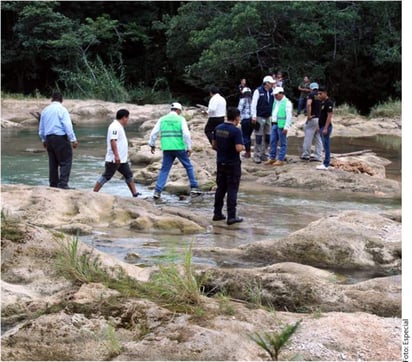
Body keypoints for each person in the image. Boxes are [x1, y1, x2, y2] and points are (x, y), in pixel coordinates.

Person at [148, 102, 201, 199]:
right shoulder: (180, 119)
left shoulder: (162, 119)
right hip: (179, 147)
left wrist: (152, 145)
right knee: (188, 166)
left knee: (164, 170)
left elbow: (153, 133)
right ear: (178, 110)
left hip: (167, 148)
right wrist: (188, 147)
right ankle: (194, 187)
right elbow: (186, 134)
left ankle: (157, 191)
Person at [93, 109, 141, 197]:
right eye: (127, 118)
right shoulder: (114, 126)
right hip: (114, 158)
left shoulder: (119, 126)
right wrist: (116, 156)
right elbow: (113, 141)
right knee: (107, 176)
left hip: (122, 159)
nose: (128, 120)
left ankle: (135, 193)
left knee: (128, 174)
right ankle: (93, 193)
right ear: (124, 118)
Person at [38, 91, 79, 189]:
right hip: (60, 137)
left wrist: (43, 140)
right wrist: (73, 139)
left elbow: (41, 128)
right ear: (61, 100)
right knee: (66, 160)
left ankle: (53, 184)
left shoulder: (45, 110)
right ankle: (63, 184)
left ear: (51, 99)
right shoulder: (62, 109)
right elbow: (67, 126)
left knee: (53, 162)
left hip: (49, 138)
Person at [212, 107, 244, 225]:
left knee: (220, 188)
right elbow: (238, 148)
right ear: (236, 117)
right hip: (233, 164)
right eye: (239, 117)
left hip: (220, 162)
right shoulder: (236, 131)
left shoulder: (218, 128)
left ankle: (217, 213)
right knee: (232, 189)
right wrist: (243, 147)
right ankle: (231, 216)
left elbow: (214, 145)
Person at [265, 87, 293, 166]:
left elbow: (289, 116)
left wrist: (286, 127)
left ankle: (280, 159)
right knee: (272, 141)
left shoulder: (287, 102)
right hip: (274, 124)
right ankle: (272, 158)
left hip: (281, 125)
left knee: (282, 143)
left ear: (281, 93)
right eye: (274, 95)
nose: (275, 96)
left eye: (276, 95)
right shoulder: (276, 101)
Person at [251, 75, 276, 163]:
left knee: (268, 136)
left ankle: (264, 153)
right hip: (259, 116)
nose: (272, 84)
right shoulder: (258, 91)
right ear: (266, 83)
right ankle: (256, 155)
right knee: (258, 136)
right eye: (271, 83)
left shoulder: (272, 91)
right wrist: (253, 116)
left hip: (268, 116)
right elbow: (253, 104)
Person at [301, 82, 323, 162]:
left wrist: (309, 116)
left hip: (313, 118)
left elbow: (309, 104)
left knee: (308, 136)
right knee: (318, 137)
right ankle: (318, 155)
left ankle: (306, 154)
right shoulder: (320, 95)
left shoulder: (311, 94)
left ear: (311, 88)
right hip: (319, 119)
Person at [316, 87, 334, 171]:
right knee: (324, 145)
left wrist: (325, 128)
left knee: (326, 146)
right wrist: (319, 127)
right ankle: (325, 162)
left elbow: (329, 115)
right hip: (321, 126)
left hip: (326, 127)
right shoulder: (322, 102)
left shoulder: (329, 102)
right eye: (318, 94)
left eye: (321, 94)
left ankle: (326, 164)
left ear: (325, 93)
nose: (319, 95)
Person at [237, 87, 253, 158]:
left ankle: (247, 152)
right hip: (252, 120)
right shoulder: (253, 100)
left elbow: (238, 110)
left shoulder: (242, 100)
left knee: (245, 136)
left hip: (245, 120)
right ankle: (248, 151)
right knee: (249, 136)